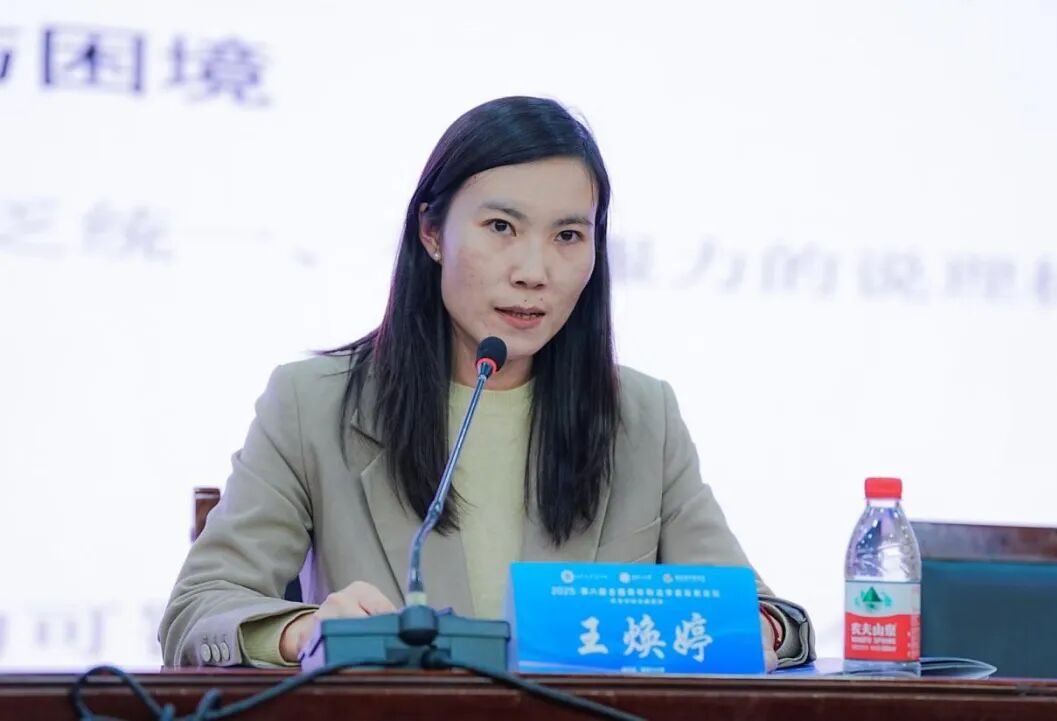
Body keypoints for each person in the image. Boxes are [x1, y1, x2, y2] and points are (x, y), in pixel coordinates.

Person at [158, 96, 815, 670]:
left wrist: (758, 632)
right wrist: (307, 631)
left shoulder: (641, 417)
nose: (533, 270)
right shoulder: (314, 404)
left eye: (568, 235)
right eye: (501, 227)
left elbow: (766, 618)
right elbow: (198, 609)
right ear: (431, 233)